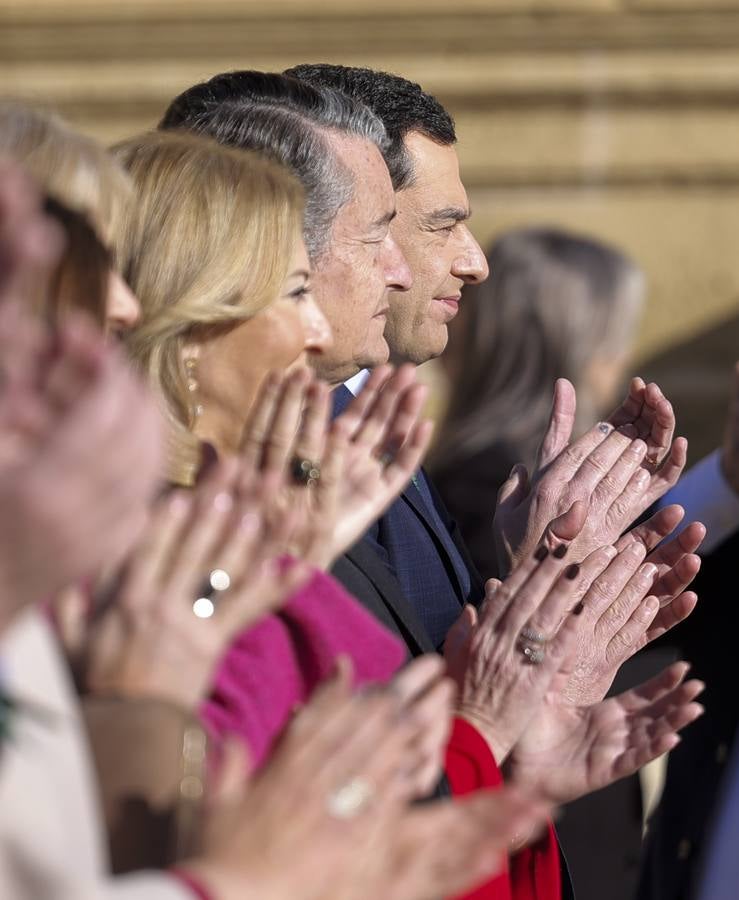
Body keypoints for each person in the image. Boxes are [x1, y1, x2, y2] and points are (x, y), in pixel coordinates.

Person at [431, 226, 646, 578]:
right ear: (573, 346)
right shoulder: (495, 489)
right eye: (616, 337)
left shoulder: (468, 472)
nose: (625, 356)